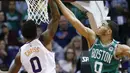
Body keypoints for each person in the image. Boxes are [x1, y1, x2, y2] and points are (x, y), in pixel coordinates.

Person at [55, 0, 130, 73]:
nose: (99, 26)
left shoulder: (119, 48)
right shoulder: (92, 38)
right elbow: (73, 20)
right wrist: (58, 1)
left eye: (103, 25)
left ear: (109, 32)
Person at [8, 0, 60, 73]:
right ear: (36, 32)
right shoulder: (43, 40)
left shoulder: (20, 53)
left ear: (23, 35)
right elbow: (56, 17)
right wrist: (51, 1)